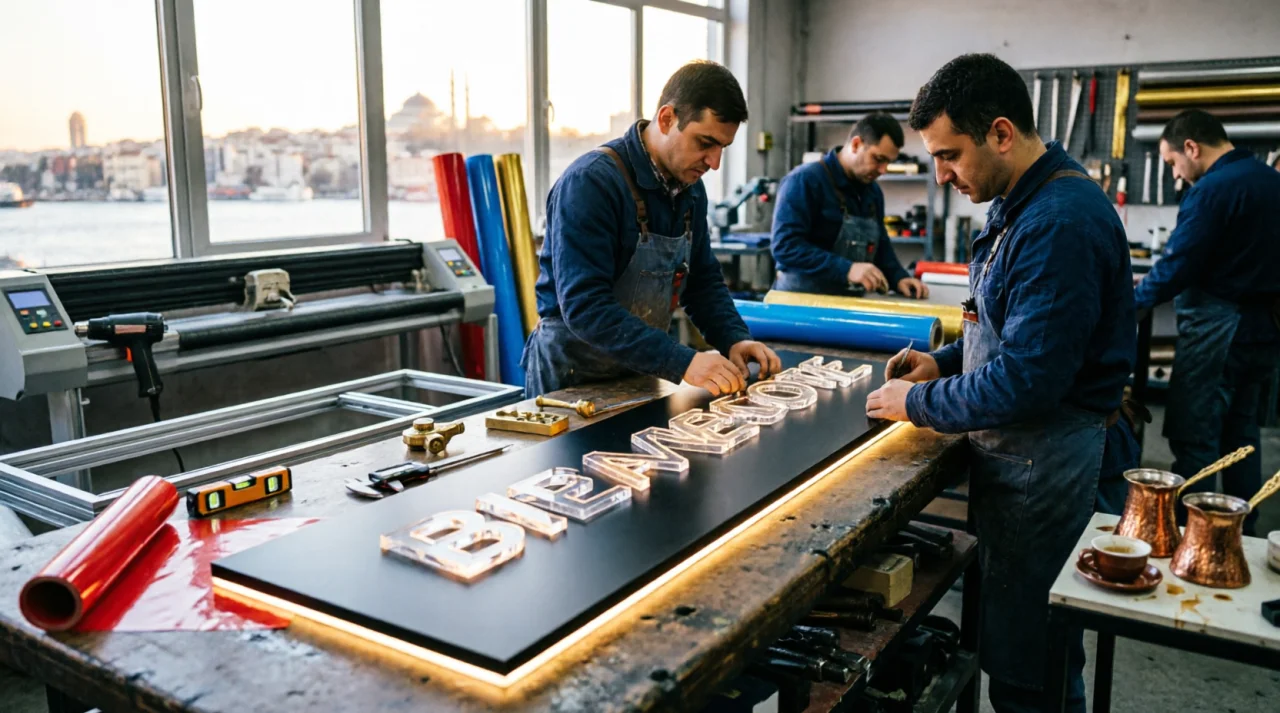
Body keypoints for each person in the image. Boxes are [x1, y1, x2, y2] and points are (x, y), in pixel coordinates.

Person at [865, 54, 1135, 712]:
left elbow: (1028, 378)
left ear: (1002, 133)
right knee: (1018, 649)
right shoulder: (1022, 201)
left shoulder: (1057, 223)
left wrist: (915, 401)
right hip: (1023, 457)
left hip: (1049, 464)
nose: (941, 174)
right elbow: (1005, 326)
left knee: (1030, 674)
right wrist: (944, 362)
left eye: (949, 155)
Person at [522, 61, 781, 397]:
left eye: (722, 148)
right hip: (571, 378)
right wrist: (682, 361)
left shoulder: (691, 190)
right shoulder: (591, 183)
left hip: (638, 370)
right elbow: (586, 307)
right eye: (705, 143)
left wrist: (734, 338)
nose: (714, 162)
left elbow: (701, 281)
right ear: (667, 118)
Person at [1135, 109, 1280, 534]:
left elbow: (1177, 266)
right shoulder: (1271, 181)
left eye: (1172, 162)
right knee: (1242, 438)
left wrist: (1128, 304)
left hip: (1218, 333)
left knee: (1195, 438)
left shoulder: (1211, 190)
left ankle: (1194, 541)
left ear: (1191, 148)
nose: (1176, 174)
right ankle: (1240, 537)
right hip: (1264, 331)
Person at [770, 113, 930, 297]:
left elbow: (881, 245)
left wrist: (898, 277)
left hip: (847, 304)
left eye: (888, 162)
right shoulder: (804, 181)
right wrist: (847, 269)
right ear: (856, 144)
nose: (883, 170)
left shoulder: (872, 192)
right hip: (799, 303)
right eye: (878, 159)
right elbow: (785, 247)